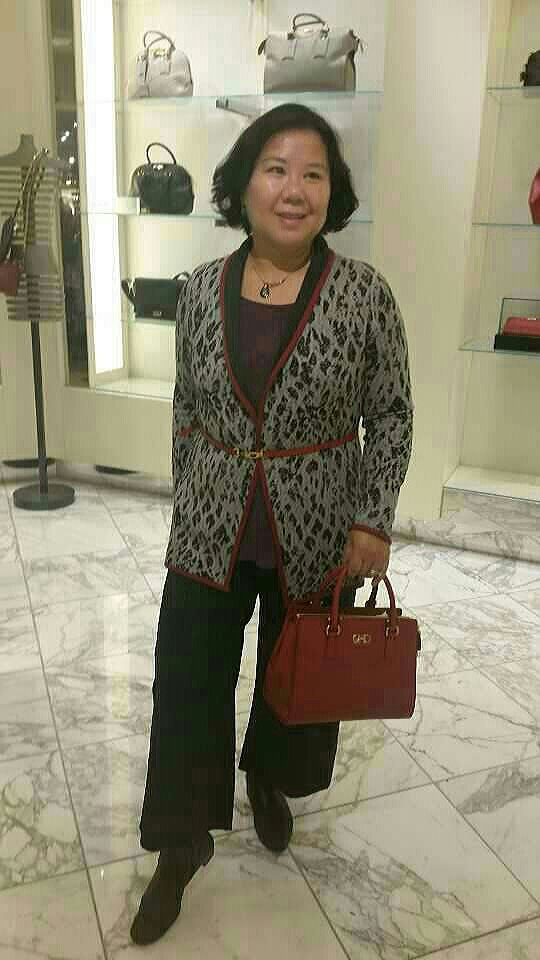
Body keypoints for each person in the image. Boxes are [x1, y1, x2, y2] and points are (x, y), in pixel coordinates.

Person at [130, 102, 414, 946]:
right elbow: (187, 406)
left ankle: (268, 777)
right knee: (187, 683)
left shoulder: (363, 294)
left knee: (298, 680)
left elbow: (391, 414)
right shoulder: (199, 290)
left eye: (314, 173)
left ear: (334, 191)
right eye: (277, 169)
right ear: (244, 185)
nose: (295, 190)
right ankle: (180, 844)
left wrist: (372, 520)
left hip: (318, 529)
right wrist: (189, 496)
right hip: (211, 527)